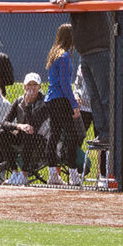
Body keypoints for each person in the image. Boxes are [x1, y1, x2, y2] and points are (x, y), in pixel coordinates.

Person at [50, 0, 112, 147]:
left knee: (105, 96)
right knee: (93, 96)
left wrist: (68, 0)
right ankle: (103, 134)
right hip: (84, 54)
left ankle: (111, 133)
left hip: (101, 51)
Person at [43, 23, 83, 186]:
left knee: (54, 135)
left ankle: (52, 173)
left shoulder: (54, 54)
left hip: (51, 99)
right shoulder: (65, 56)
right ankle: (73, 174)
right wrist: (73, 103)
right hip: (61, 100)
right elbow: (65, 83)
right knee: (72, 136)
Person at [0, 72, 50, 186]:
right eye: (29, 85)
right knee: (1, 134)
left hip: (38, 138)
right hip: (22, 133)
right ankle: (15, 172)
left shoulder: (44, 102)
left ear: (40, 87)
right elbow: (4, 123)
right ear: (24, 87)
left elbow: (34, 124)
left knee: (29, 132)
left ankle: (24, 174)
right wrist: (18, 126)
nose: (31, 87)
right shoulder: (19, 101)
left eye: (34, 85)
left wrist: (28, 105)